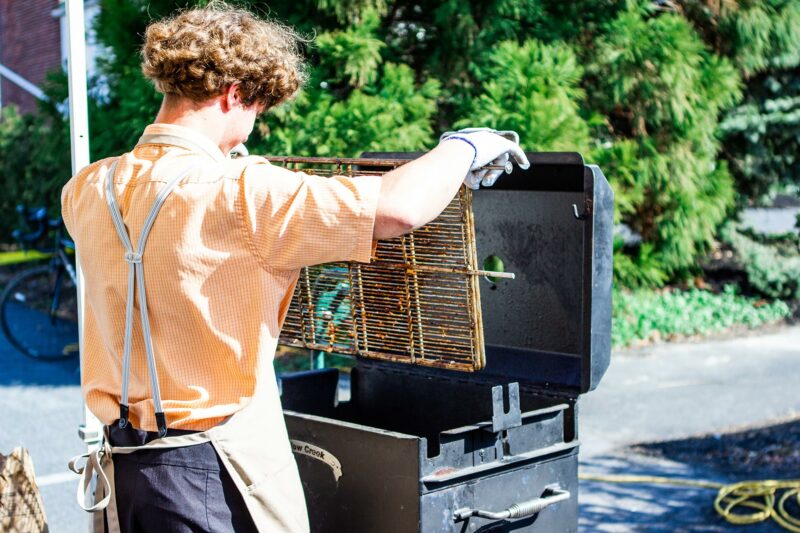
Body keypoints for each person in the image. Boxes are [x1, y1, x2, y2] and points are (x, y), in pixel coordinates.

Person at [62, 3, 529, 533]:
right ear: (234, 93)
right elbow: (398, 208)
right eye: (255, 108)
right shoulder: (243, 193)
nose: (252, 129)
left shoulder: (88, 188)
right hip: (211, 476)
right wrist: (463, 146)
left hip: (124, 477)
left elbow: (166, 251)